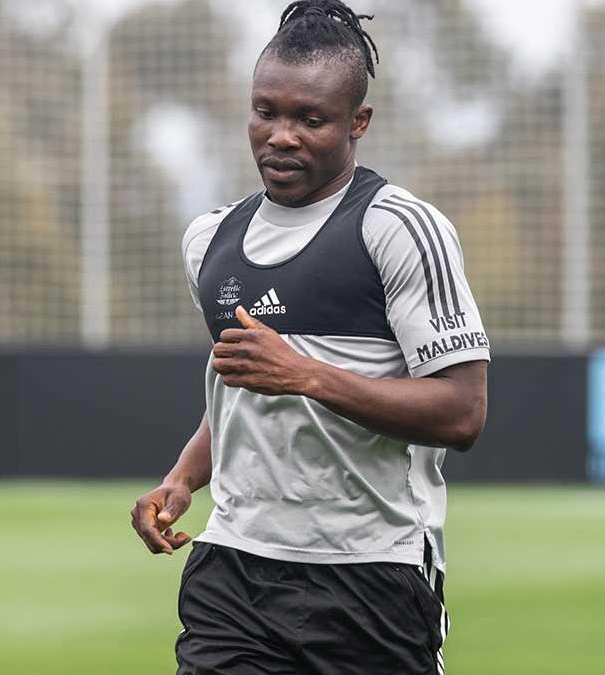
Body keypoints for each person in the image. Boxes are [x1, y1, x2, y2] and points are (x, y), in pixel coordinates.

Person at [130, 1, 489, 673]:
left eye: (310, 119)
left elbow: (463, 412)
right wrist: (182, 479)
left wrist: (307, 374)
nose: (282, 136)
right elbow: (241, 398)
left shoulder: (400, 229)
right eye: (266, 112)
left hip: (371, 577)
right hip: (233, 571)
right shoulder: (209, 240)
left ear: (359, 122)